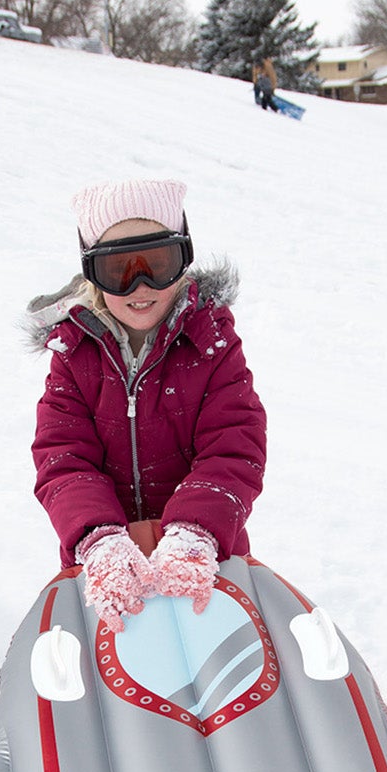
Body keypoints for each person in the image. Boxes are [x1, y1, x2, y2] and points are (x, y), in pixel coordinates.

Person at [27, 179, 267, 633]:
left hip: (204, 560)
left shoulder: (211, 341)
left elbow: (235, 445)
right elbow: (63, 460)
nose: (141, 286)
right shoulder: (74, 353)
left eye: (157, 264)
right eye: (118, 269)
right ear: (92, 273)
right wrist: (97, 539)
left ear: (184, 257)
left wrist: (198, 531)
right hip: (110, 572)